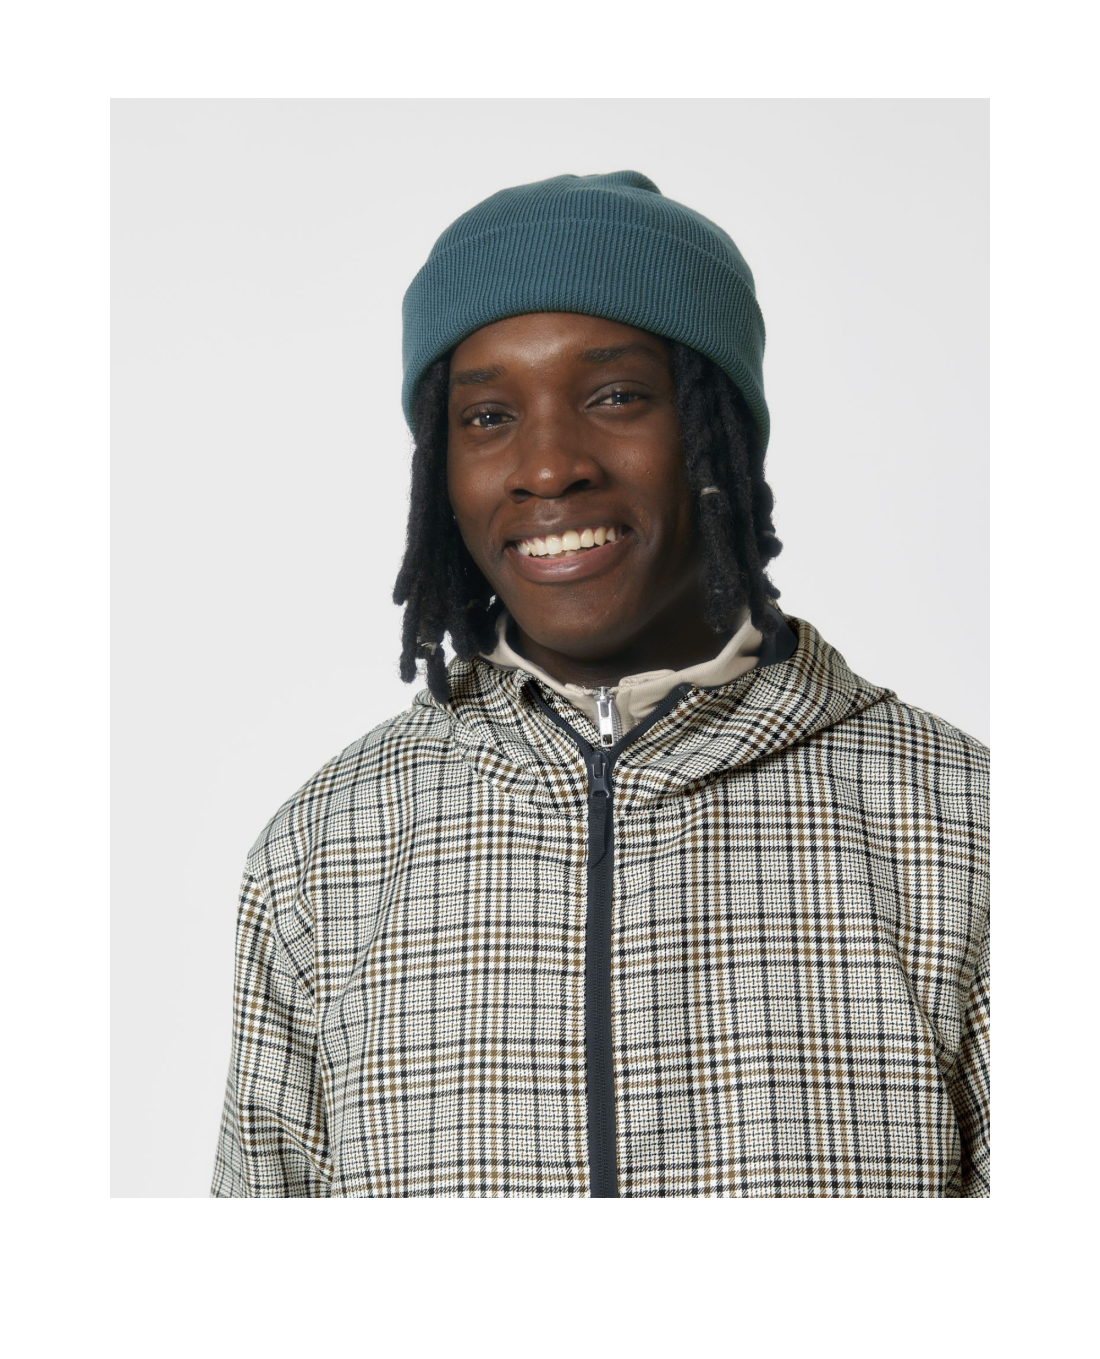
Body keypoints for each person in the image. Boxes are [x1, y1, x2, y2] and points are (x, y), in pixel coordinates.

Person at [211, 171, 989, 1199]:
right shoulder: (324, 851)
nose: (547, 467)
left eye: (615, 397)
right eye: (487, 415)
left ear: (716, 427)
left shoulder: (966, 827)